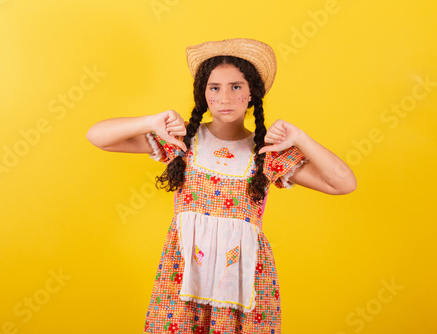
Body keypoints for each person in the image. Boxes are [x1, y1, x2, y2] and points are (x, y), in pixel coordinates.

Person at [86, 38, 356, 334]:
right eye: (215, 88)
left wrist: (301, 137)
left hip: (242, 284)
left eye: (236, 87)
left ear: (252, 93)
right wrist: (151, 121)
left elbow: (343, 183)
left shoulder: (266, 154)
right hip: (183, 280)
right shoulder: (182, 142)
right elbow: (97, 136)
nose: (225, 97)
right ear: (204, 95)